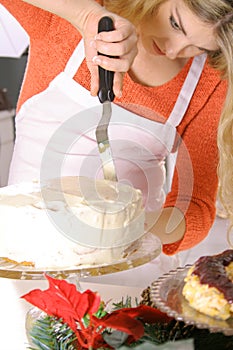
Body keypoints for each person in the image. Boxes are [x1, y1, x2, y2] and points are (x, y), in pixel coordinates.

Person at [1, 0, 229, 257]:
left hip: (129, 265)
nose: (173, 49)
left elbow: (196, 206)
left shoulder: (208, 80)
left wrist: (126, 227)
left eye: (198, 47)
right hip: (29, 256)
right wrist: (85, 14)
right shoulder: (74, 16)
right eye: (175, 24)